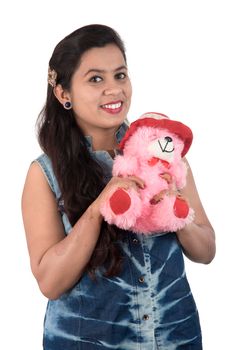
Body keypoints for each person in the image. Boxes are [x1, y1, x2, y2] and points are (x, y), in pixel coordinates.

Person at [21, 24, 216, 350]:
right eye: (95, 79)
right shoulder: (45, 173)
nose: (114, 89)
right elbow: (50, 283)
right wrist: (98, 208)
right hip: (88, 341)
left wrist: (176, 209)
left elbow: (206, 250)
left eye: (120, 75)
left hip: (175, 337)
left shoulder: (164, 153)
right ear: (63, 93)